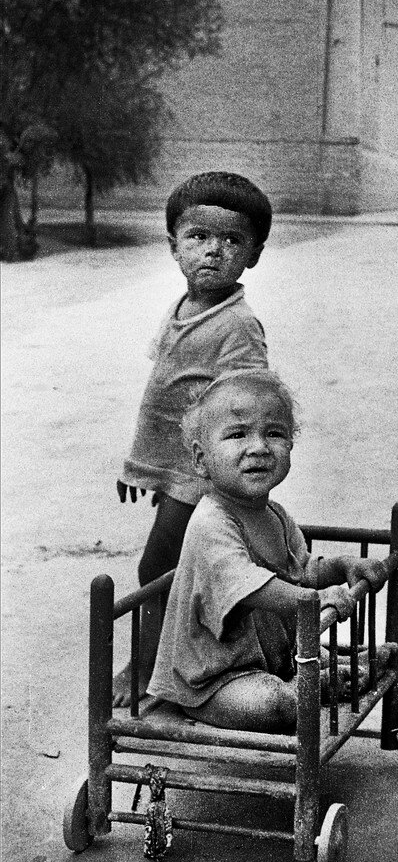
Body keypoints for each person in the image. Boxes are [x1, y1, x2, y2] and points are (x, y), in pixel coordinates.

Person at [148, 368, 389, 731]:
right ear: (201, 459)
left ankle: (335, 671)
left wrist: (342, 566)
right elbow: (250, 587)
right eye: (237, 434)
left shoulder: (274, 515)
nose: (259, 447)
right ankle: (322, 682)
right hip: (214, 677)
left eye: (274, 433)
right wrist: (316, 599)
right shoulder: (211, 523)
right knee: (276, 704)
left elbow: (302, 570)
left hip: (268, 659)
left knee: (302, 667)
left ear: (290, 445)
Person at [113, 172, 273, 706]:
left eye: (232, 240)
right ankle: (175, 662)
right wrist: (142, 466)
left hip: (203, 474)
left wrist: (230, 472)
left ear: (253, 254)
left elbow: (248, 403)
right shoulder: (182, 308)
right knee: (178, 570)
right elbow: (161, 396)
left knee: (158, 568)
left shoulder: (238, 326)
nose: (213, 251)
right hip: (177, 470)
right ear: (173, 246)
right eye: (199, 237)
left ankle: (149, 669)